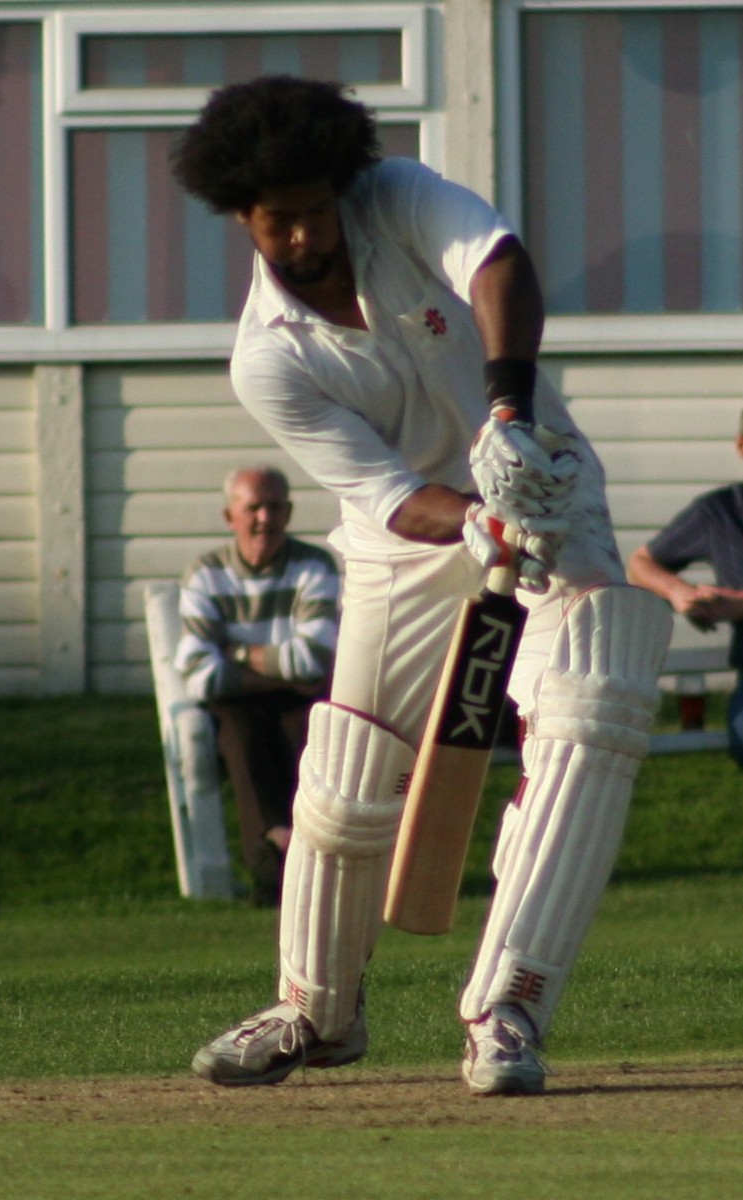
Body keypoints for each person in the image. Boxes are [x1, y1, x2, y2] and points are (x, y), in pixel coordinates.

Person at [170, 77, 671, 1096]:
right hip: (404, 541)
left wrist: (506, 415)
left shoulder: (393, 196)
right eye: (281, 221)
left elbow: (497, 266)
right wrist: (478, 517)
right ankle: (314, 1011)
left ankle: (508, 1009)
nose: (308, 233)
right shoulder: (264, 362)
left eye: (316, 207)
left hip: (542, 479)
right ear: (240, 217)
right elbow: (392, 496)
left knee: (591, 713)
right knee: (349, 771)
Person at [174, 464, 338, 906]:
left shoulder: (314, 566)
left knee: (310, 738)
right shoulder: (205, 574)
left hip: (298, 698)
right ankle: (272, 871)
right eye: (253, 508)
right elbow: (198, 673)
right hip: (237, 704)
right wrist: (281, 662)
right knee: (242, 740)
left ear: (289, 512)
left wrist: (239, 655)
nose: (264, 518)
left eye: (275, 507)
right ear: (231, 517)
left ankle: (312, 866)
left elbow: (315, 659)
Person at [628, 413, 743, 768]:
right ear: (741, 447)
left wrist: (734, 605)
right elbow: (641, 564)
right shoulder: (720, 511)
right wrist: (681, 592)